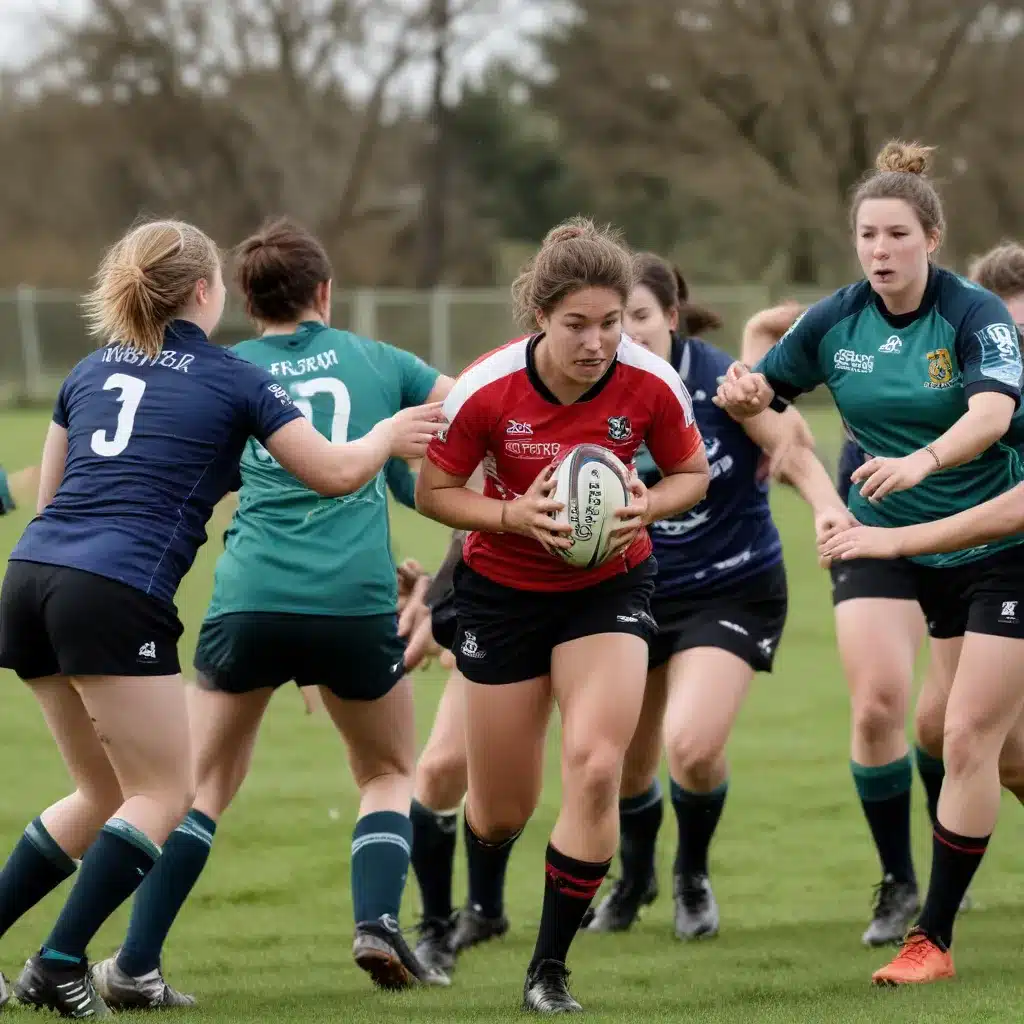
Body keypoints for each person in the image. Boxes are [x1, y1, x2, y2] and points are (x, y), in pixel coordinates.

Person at [0, 218, 444, 1018]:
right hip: (114, 591)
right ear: (206, 293)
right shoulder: (231, 377)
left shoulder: (92, 366)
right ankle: (59, 962)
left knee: (99, 791)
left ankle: (64, 959)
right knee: (166, 792)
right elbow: (337, 473)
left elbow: (53, 496)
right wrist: (383, 435)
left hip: (30, 579)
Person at [716, 140, 1024, 986]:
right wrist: (746, 397)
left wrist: (922, 464)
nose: (880, 250)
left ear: (932, 237)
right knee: (901, 710)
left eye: (896, 234)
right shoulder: (837, 318)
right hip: (878, 541)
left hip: (992, 549)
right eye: (867, 235)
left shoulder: (974, 317)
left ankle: (932, 938)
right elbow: (764, 395)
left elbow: (993, 417)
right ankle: (910, 905)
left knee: (976, 740)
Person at [416, 217, 711, 1013]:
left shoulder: (650, 382)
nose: (596, 341)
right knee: (498, 810)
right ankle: (475, 898)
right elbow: (433, 494)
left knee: (596, 765)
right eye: (576, 324)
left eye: (611, 323)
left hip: (608, 590)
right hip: (502, 595)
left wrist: (648, 502)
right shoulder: (488, 387)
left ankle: (548, 970)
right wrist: (516, 518)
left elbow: (692, 475)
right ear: (539, 318)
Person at [581, 254, 846, 940]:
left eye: (639, 318)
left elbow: (789, 446)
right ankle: (634, 877)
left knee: (692, 748)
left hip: (731, 584)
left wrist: (825, 506)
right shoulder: (595, 389)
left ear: (671, 317)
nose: (627, 336)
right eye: (616, 323)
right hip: (630, 590)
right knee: (619, 763)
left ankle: (690, 876)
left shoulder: (720, 382)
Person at [742, 299, 935, 944]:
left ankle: (955, 847)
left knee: (947, 725)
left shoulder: (971, 334)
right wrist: (773, 339)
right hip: (868, 524)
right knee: (879, 707)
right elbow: (770, 334)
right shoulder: (854, 319)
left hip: (969, 535)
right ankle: (900, 880)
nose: (882, 250)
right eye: (871, 236)